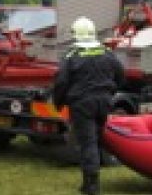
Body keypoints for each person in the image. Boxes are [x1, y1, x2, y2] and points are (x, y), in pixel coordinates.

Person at [53, 17, 124, 195]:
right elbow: (121, 74)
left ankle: (91, 186)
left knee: (88, 143)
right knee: (96, 139)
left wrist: (58, 102)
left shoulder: (71, 56)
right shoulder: (107, 53)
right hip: (103, 102)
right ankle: (91, 179)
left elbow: (61, 82)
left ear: (76, 34)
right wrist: (111, 90)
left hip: (82, 104)